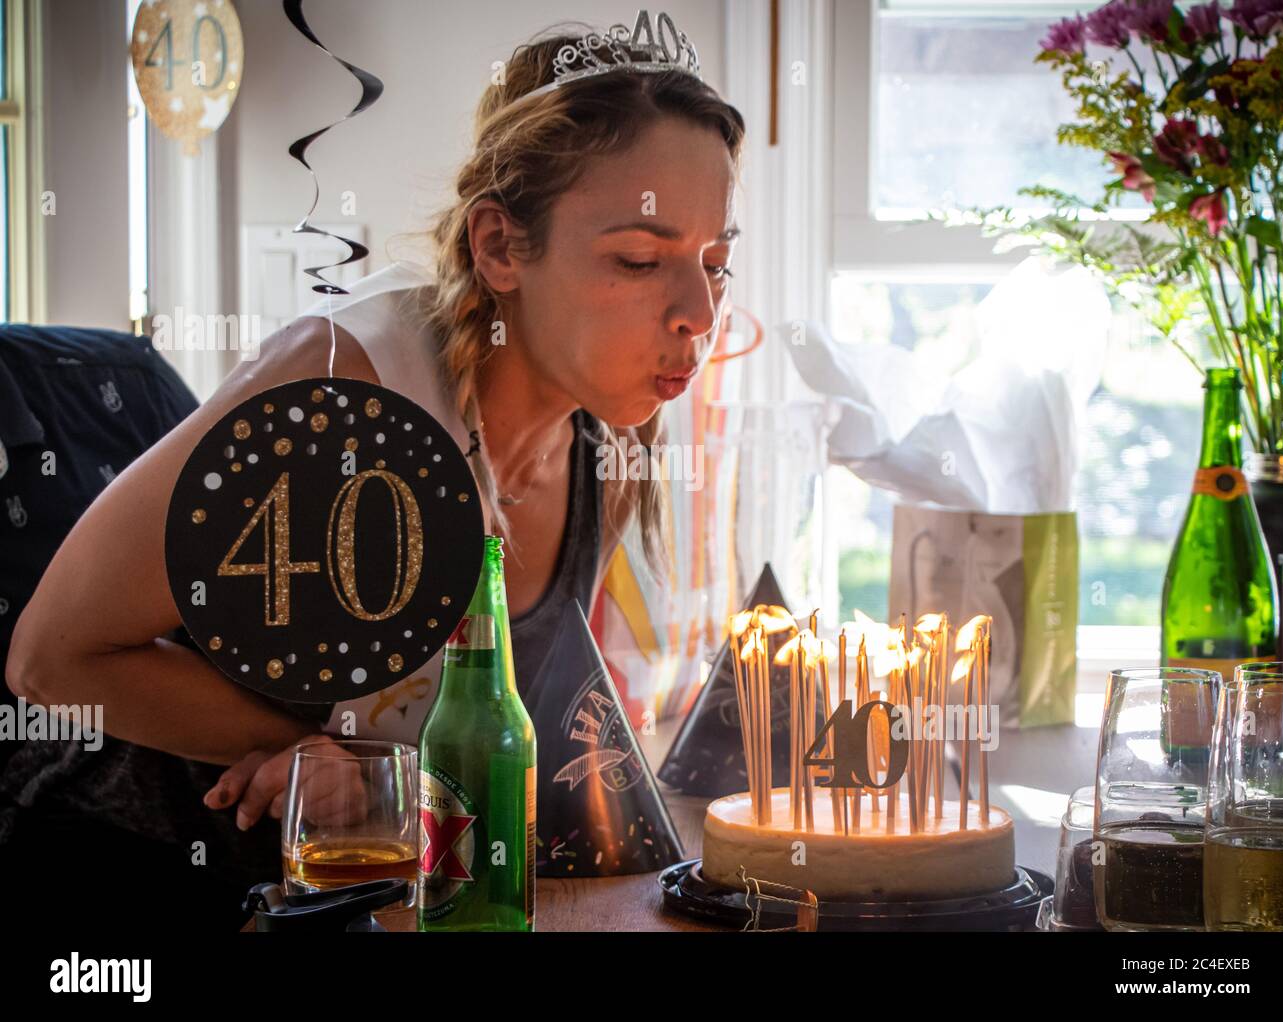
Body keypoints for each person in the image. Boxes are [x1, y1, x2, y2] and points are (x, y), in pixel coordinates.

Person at [3, 18, 746, 929]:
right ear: (501, 248)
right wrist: (317, 754)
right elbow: (49, 660)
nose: (700, 312)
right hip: (133, 874)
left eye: (717, 262)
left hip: (381, 902)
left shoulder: (610, 438)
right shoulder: (340, 388)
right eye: (640, 259)